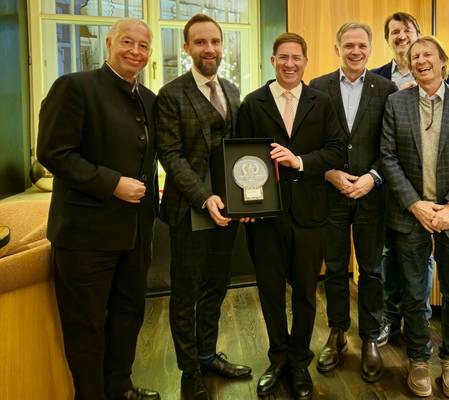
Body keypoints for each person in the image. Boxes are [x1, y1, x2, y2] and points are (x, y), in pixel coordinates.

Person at [37, 18, 160, 400]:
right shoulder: (74, 87)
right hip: (85, 237)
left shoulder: (149, 99)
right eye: (127, 42)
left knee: (127, 318)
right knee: (87, 329)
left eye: (143, 46)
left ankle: (120, 387)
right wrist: (112, 183)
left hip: (135, 235)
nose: (135, 51)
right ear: (108, 43)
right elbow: (53, 153)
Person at [236, 32, 345, 399]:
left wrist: (299, 161)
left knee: (305, 293)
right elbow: (239, 156)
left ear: (305, 61)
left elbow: (337, 151)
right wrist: (244, 204)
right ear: (273, 60)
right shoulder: (253, 103)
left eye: (296, 57)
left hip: (310, 214)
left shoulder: (322, 102)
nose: (289, 64)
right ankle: (278, 357)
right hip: (265, 217)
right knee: (269, 292)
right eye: (283, 57)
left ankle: (299, 360)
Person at [380, 36, 449, 398]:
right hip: (410, 213)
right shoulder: (396, 103)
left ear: (444, 61)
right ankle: (418, 358)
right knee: (414, 293)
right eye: (415, 56)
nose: (421, 60)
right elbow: (388, 157)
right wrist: (415, 204)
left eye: (428, 54)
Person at [155, 13, 251, 400]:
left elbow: (237, 151)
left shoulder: (231, 90)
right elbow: (170, 154)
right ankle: (189, 368)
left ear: (222, 45)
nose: (209, 49)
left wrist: (245, 196)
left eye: (214, 41)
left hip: (226, 209)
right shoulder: (170, 94)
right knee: (186, 293)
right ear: (186, 47)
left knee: (216, 285)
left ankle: (208, 354)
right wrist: (203, 196)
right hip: (190, 208)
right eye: (200, 42)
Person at [309, 21, 397, 382]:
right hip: (330, 193)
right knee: (334, 268)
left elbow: (392, 145)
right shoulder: (317, 88)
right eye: (349, 45)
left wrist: (372, 177)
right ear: (338, 49)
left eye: (362, 45)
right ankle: (337, 333)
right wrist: (329, 173)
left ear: (371, 49)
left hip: (371, 196)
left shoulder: (387, 89)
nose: (356, 51)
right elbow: (310, 142)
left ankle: (370, 337)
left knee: (372, 270)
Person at [371, 11, 449, 346]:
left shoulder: (444, 75)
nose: (402, 36)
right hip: (392, 183)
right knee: (389, 254)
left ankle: (417, 319)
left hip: (434, 188)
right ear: (388, 39)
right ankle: (390, 317)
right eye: (395, 31)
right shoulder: (378, 77)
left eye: (407, 30)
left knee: (424, 256)